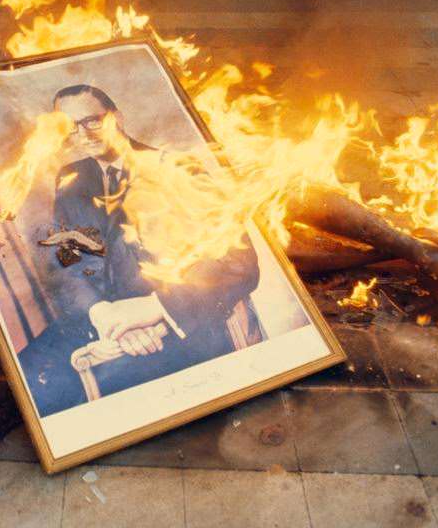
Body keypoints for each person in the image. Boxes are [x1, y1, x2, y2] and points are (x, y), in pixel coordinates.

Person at [17, 84, 263, 417]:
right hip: (101, 320)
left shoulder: (177, 167)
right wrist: (102, 314)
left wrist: (155, 308)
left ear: (116, 117)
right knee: (28, 379)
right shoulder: (71, 179)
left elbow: (238, 261)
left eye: (91, 120)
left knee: (91, 406)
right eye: (70, 127)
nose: (83, 134)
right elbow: (68, 262)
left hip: (179, 321)